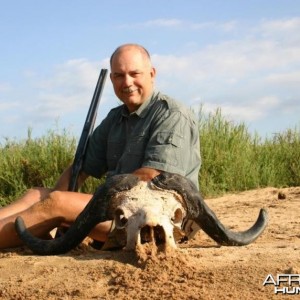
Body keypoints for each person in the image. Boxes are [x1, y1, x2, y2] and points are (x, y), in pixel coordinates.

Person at [0, 43, 201, 249]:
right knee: (37, 195)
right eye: (119, 75)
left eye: (134, 74)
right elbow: (79, 168)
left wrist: (62, 205)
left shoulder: (172, 114)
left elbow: (152, 178)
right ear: (112, 79)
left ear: (152, 73)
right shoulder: (115, 118)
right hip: (121, 209)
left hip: (159, 219)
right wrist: (54, 205)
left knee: (58, 203)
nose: (127, 82)